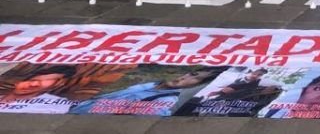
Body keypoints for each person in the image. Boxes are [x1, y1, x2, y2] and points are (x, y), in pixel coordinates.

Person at [70, 68, 224, 116]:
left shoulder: (166, 100)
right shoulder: (149, 84)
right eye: (191, 73)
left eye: (195, 78)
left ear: (196, 86)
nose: (184, 77)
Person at [0, 64, 77, 113]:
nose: (32, 85)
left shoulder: (57, 105)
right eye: (32, 80)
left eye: (39, 85)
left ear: (58, 84)